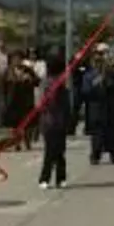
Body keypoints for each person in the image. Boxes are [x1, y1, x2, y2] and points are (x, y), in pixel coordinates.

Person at [82, 43, 114, 164]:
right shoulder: (89, 75)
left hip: (111, 108)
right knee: (97, 134)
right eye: (98, 58)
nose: (100, 61)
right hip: (97, 108)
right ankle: (95, 156)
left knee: (113, 132)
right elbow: (85, 91)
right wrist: (97, 81)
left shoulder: (111, 73)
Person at [38, 52, 70, 189]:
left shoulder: (61, 83)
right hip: (51, 121)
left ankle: (59, 178)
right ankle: (47, 178)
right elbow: (43, 103)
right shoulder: (48, 83)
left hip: (56, 121)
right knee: (52, 150)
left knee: (59, 151)